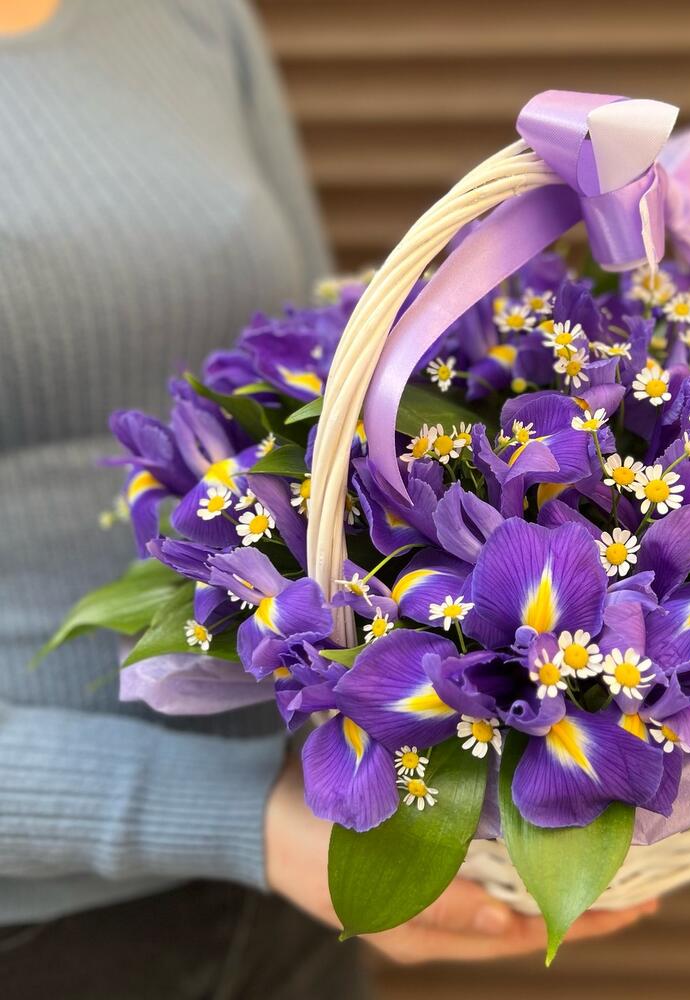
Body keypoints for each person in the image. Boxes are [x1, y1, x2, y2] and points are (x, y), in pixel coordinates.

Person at [0, 2, 654, 995]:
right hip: (56, 935)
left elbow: (326, 372)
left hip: (308, 858)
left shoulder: (189, 19)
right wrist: (243, 819)